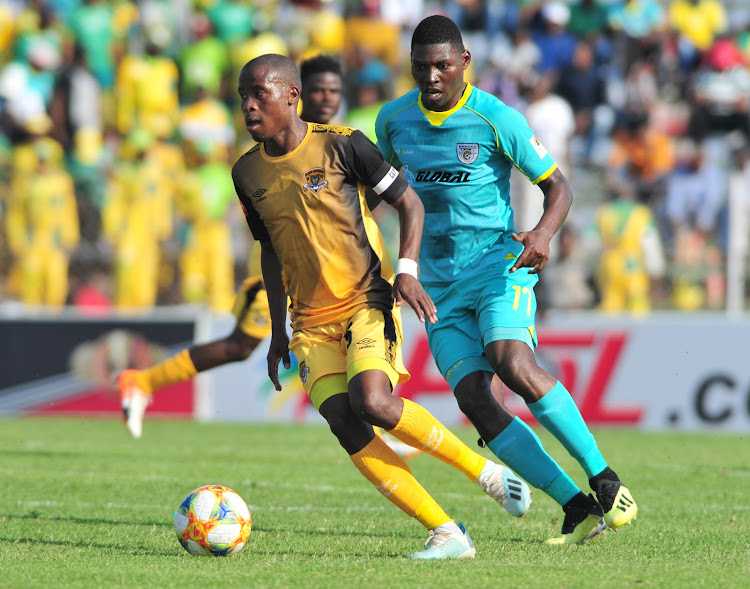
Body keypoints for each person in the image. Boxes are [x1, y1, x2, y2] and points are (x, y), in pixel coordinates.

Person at [231, 53, 532, 560]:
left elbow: (408, 202)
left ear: (291, 95)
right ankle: (446, 532)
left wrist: (408, 271)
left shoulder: (343, 145)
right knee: (344, 421)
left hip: (366, 300)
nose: (248, 105)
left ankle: (486, 473)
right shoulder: (246, 172)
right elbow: (268, 249)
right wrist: (279, 329)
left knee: (371, 402)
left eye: (259, 93)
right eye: (243, 95)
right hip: (308, 323)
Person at [374, 15, 638, 544]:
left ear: (464, 63)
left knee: (512, 362)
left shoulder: (497, 118)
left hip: (499, 265)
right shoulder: (393, 121)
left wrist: (541, 235)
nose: (431, 76)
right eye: (421, 67)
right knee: (473, 399)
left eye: (443, 65)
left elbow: (558, 186)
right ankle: (575, 504)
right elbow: (382, 194)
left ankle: (606, 480)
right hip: (437, 286)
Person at [116, 55, 346, 438]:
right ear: (296, 94)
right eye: (318, 89)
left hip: (335, 274)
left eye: (333, 91)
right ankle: (142, 381)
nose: (325, 97)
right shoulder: (274, 148)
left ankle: (378, 419)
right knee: (241, 346)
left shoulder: (342, 142)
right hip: (292, 275)